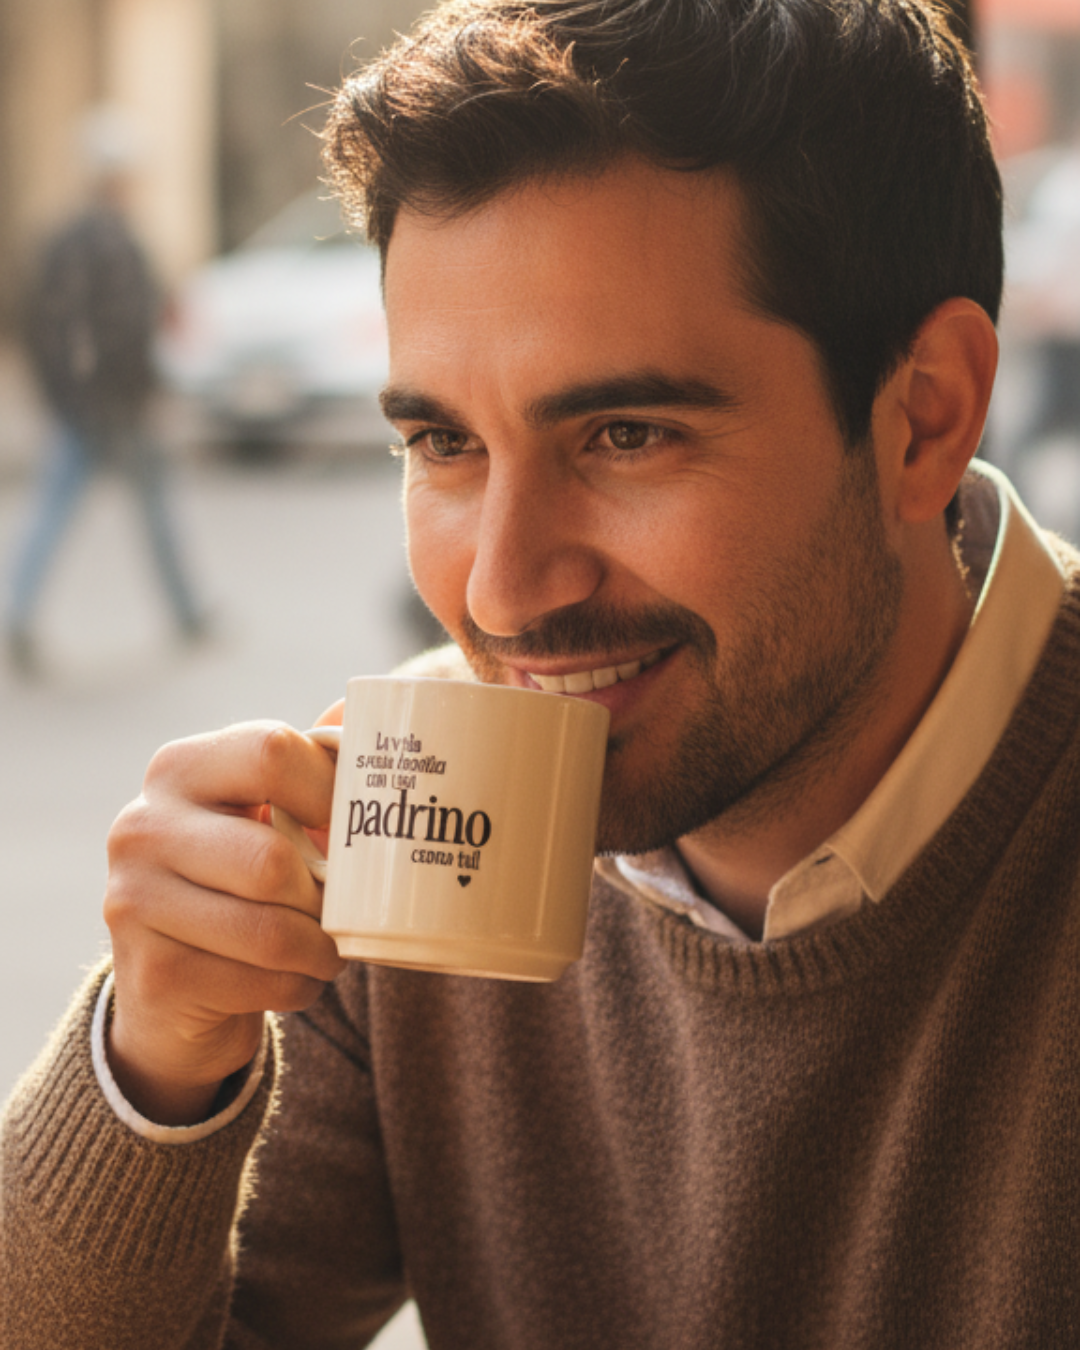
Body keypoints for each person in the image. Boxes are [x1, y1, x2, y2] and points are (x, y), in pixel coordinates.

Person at [3, 0, 1077, 1345]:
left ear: (924, 416)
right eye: (443, 444)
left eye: (625, 434)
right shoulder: (428, 823)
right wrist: (151, 1068)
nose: (501, 595)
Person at [4, 108, 205, 675]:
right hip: (114, 407)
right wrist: (137, 393)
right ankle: (186, 614)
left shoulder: (69, 239)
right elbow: (121, 332)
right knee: (138, 511)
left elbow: (40, 326)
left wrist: (60, 396)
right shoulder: (111, 242)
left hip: (90, 405)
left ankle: (20, 615)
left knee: (62, 510)